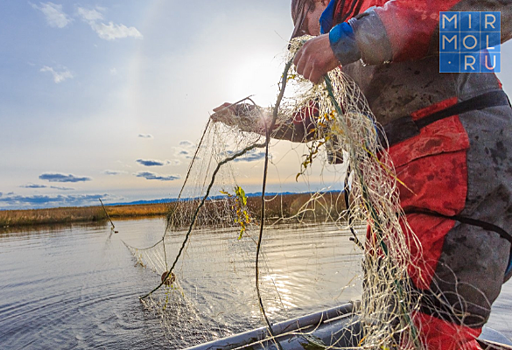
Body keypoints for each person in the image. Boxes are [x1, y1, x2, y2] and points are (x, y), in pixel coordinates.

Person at [212, 0, 512, 348]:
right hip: (404, 197)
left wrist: (346, 38)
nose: (308, 37)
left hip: (461, 172)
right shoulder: (350, 67)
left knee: (432, 332)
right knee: (393, 318)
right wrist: (246, 116)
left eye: (305, 26)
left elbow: (492, 17)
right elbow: (315, 120)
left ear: (317, 4)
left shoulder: (371, 15)